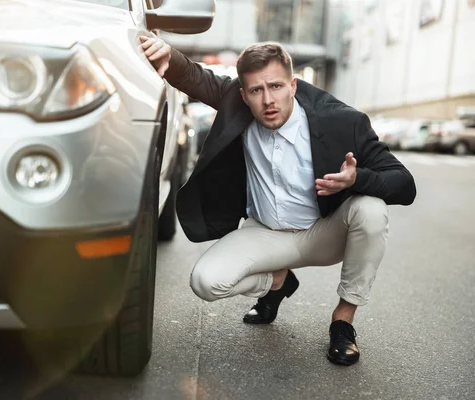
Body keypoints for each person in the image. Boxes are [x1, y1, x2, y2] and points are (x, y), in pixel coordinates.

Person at [140, 36, 416, 366]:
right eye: (256, 90)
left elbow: (405, 185)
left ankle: (343, 320)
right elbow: (196, 78)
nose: (268, 100)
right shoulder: (237, 104)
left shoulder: (342, 121)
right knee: (205, 282)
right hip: (267, 233)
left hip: (324, 233)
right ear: (244, 95)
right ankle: (278, 281)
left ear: (293, 85)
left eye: (276, 86)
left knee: (371, 209)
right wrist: (168, 54)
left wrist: (359, 180)